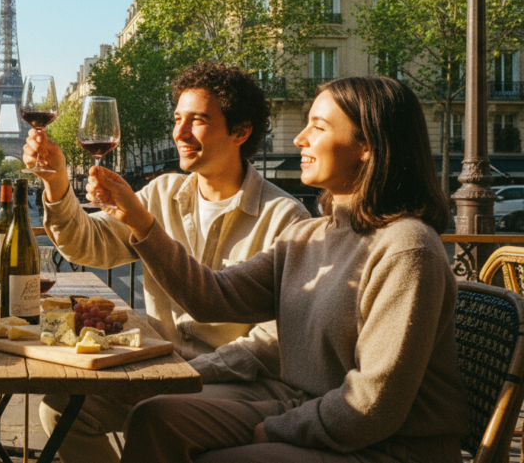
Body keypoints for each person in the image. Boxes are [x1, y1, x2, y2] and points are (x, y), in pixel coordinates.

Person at [95, 76, 466, 462]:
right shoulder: (309, 236)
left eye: (318, 127)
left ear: (367, 147)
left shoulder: (408, 248)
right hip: (308, 406)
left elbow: (372, 406)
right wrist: (141, 222)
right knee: (154, 417)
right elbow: (213, 297)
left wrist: (275, 428)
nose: (299, 139)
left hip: (392, 447)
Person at [24, 62, 310, 463]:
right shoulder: (161, 193)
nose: (179, 133)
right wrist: (55, 184)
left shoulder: (287, 218)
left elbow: (275, 340)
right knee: (61, 407)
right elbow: (88, 244)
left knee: (153, 414)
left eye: (197, 121)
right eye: (177, 119)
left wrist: (179, 376)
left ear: (240, 132)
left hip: (244, 384)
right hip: (159, 369)